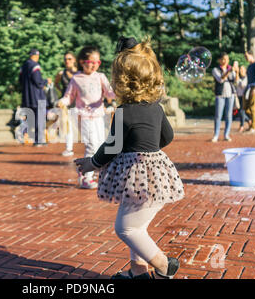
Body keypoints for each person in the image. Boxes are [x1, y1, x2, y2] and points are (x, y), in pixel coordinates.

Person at [75, 37, 184, 279]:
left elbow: (112, 147)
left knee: (126, 228)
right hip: (154, 176)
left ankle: (165, 265)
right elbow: (167, 137)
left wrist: (90, 163)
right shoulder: (156, 108)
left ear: (122, 82)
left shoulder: (124, 112)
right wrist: (148, 146)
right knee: (137, 225)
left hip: (138, 174)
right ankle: (138, 272)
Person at [58, 46, 116, 189]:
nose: (95, 65)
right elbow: (69, 97)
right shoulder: (76, 79)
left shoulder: (100, 77)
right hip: (84, 117)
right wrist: (62, 102)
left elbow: (110, 94)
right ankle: (85, 176)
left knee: (102, 145)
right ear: (82, 62)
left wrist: (120, 95)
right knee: (91, 146)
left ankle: (97, 174)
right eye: (91, 62)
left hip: (99, 117)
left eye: (98, 62)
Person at [19, 49, 52, 146]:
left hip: (27, 98)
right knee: (40, 119)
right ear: (36, 56)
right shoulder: (35, 66)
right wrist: (46, 81)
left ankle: (33, 139)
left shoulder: (23, 66)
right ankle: (39, 140)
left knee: (31, 119)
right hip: (37, 97)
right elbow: (38, 82)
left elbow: (20, 81)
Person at [54, 52, 78, 156]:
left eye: (69, 59)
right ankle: (69, 149)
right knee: (68, 126)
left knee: (84, 127)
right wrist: (63, 94)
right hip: (66, 104)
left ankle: (92, 150)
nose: (67, 61)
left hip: (79, 104)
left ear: (74, 60)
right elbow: (56, 83)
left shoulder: (79, 73)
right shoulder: (61, 73)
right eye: (65, 59)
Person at [211, 52, 236, 142]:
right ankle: (216, 135)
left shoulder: (231, 69)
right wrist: (229, 71)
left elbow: (234, 80)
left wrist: (235, 71)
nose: (226, 61)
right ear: (220, 60)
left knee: (229, 115)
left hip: (231, 94)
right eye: (224, 59)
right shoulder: (215, 69)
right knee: (218, 115)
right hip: (220, 95)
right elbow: (220, 79)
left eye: (227, 59)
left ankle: (226, 134)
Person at [236, 65, 249, 132]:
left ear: (245, 70)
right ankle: (249, 121)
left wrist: (238, 78)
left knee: (242, 111)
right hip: (239, 96)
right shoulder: (239, 77)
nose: (241, 71)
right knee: (240, 111)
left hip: (244, 96)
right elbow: (236, 84)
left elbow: (242, 85)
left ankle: (242, 125)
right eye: (240, 69)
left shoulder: (246, 78)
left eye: (242, 69)